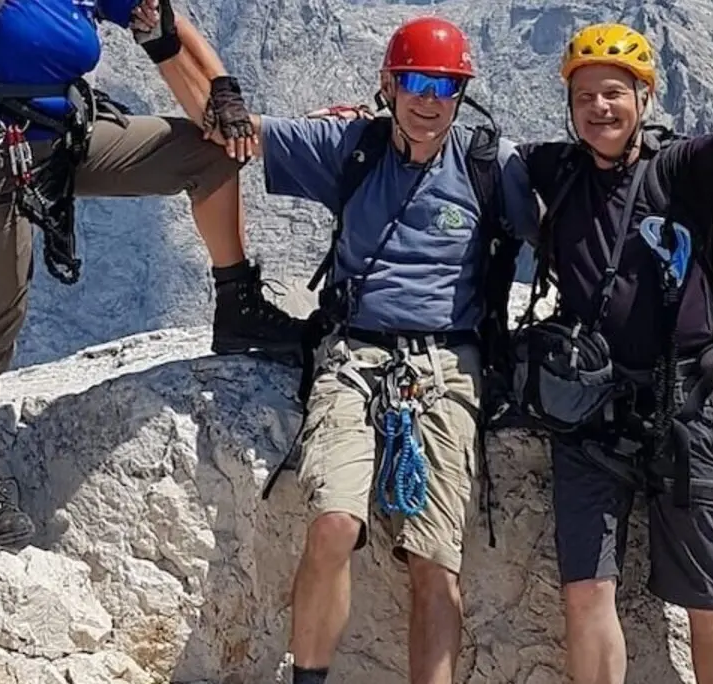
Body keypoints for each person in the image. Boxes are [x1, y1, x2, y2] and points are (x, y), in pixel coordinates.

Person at [173, 14, 539, 684]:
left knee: (435, 560)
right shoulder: (352, 146)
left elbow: (575, 229)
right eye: (417, 82)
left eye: (447, 85)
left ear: (464, 94)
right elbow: (230, 131)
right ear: (389, 84)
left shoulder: (492, 166)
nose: (431, 101)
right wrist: (165, 42)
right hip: (354, 356)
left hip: (449, 364)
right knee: (333, 524)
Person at [0, 0, 304, 548]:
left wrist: (221, 90)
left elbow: (162, 18)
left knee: (208, 154)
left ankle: (238, 305)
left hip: (63, 136)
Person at [515, 3, 713, 683]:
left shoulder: (683, 172)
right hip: (587, 419)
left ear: (644, 97)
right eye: (584, 96)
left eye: (615, 92)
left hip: (682, 413)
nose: (600, 108)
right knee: (587, 592)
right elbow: (449, 146)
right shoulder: (555, 170)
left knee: (710, 601)